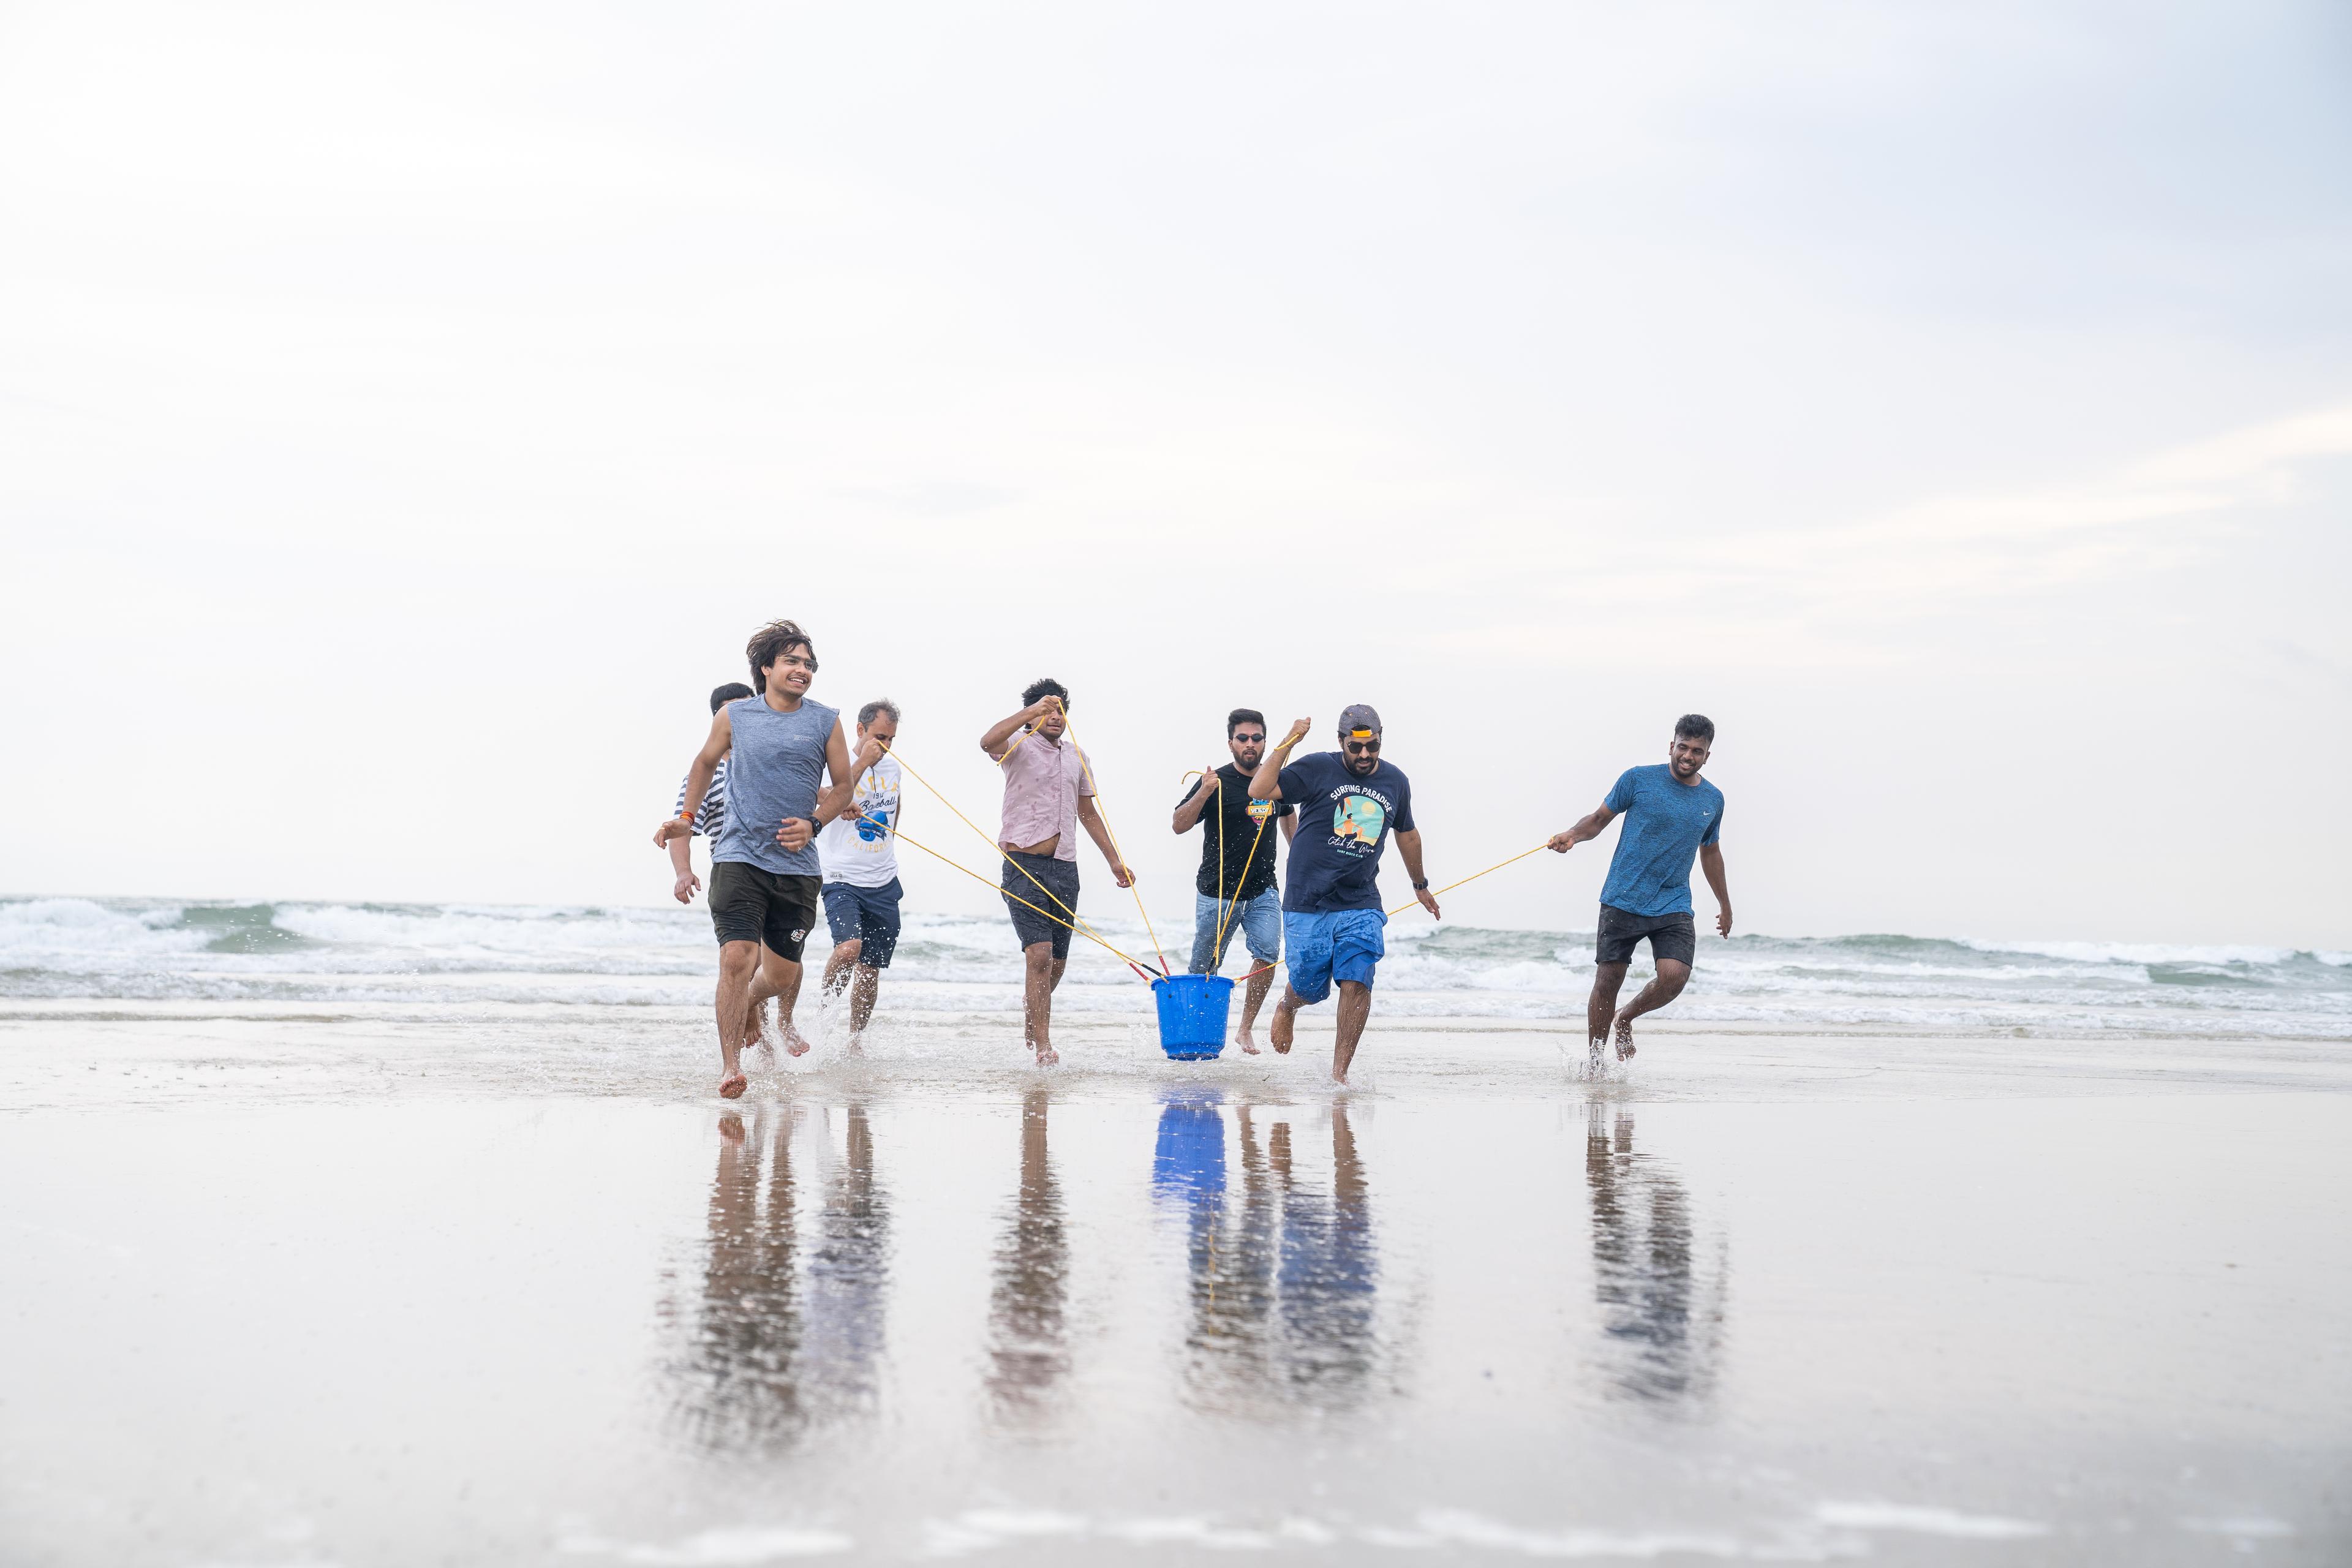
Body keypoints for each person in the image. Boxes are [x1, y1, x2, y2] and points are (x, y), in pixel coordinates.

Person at [655, 619, 882, 1098]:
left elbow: (842, 787)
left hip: (797, 870)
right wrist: (686, 818)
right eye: (792, 661)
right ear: (766, 668)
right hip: (738, 858)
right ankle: (731, 1067)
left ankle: (748, 1004)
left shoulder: (825, 721)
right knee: (737, 957)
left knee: (780, 975)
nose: (802, 670)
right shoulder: (735, 717)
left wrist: (815, 824)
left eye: (808, 664)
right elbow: (701, 764)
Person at [1248, 704, 1440, 1084]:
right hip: (1307, 901)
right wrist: (1289, 742)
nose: (1365, 755)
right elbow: (1259, 789)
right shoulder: (1318, 767)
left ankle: (1340, 1074)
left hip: (1360, 901)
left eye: (1373, 747)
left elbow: (1407, 834)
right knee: (1310, 987)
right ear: (1341, 742)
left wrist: (1420, 886)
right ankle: (1288, 1004)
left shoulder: (1396, 782)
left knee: (1358, 978)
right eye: (1356, 747)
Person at [1546, 713, 1732, 1066]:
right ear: (1671, 745)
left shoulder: (1713, 799)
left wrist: (1725, 904)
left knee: (1675, 977)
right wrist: (1572, 834)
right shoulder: (1638, 779)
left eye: (1697, 751)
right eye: (1682, 747)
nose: (1688, 756)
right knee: (1609, 979)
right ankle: (1597, 1066)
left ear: (1707, 755)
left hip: (1673, 901)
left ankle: (1627, 1018)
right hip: (1623, 896)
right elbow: (1598, 819)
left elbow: (1711, 852)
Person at [979, 679, 1134, 1066]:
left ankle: (1033, 1018)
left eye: (1061, 711)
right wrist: (1033, 711)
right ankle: (1044, 1045)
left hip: (1066, 868)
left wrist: (1115, 860)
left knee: (1058, 963)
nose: (1056, 718)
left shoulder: (1076, 756)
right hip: (1022, 865)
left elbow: (1088, 813)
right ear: (1033, 715)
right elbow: (986, 741)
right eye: (1048, 711)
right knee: (1040, 955)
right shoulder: (1017, 745)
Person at [1170, 709, 1296, 1052]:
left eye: (1257, 738)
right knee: (1204, 969)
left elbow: (1288, 812)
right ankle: (1194, 1036)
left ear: (1265, 743)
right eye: (1243, 738)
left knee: (1268, 956)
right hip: (1218, 892)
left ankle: (1244, 1029)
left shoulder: (1273, 782)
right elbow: (1179, 824)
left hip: (1263, 890)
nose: (1250, 744)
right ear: (1231, 744)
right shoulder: (1217, 781)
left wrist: (1296, 850)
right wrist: (1203, 793)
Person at [818, 699, 905, 1046]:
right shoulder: (832, 768)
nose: (884, 745)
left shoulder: (894, 769)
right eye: (879, 737)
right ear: (859, 730)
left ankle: (855, 1041)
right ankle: (823, 1020)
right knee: (848, 949)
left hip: (883, 879)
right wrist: (863, 761)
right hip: (841, 876)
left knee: (870, 970)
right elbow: (828, 802)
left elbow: (896, 811)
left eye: (891, 739)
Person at [668, 682, 756, 905]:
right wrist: (683, 872)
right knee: (741, 942)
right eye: (734, 714)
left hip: (784, 871)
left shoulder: (775, 764)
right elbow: (681, 830)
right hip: (733, 871)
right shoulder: (704, 777)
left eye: (749, 711)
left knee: (772, 942)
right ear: (719, 721)